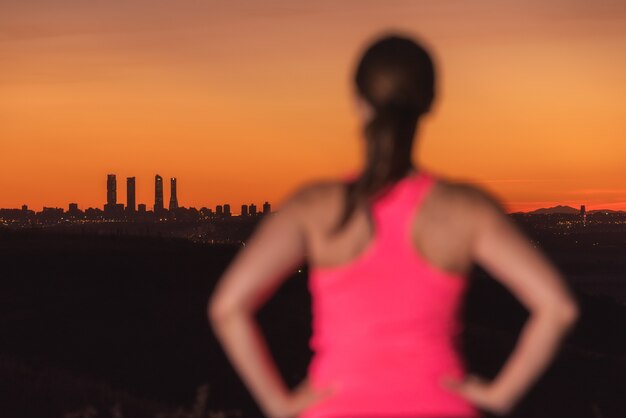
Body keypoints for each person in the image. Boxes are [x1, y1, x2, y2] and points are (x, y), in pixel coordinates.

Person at [208, 31, 580, 418]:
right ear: (432, 102)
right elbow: (558, 308)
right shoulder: (465, 208)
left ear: (356, 100)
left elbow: (228, 307)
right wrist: (500, 395)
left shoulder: (314, 207)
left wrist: (279, 405)